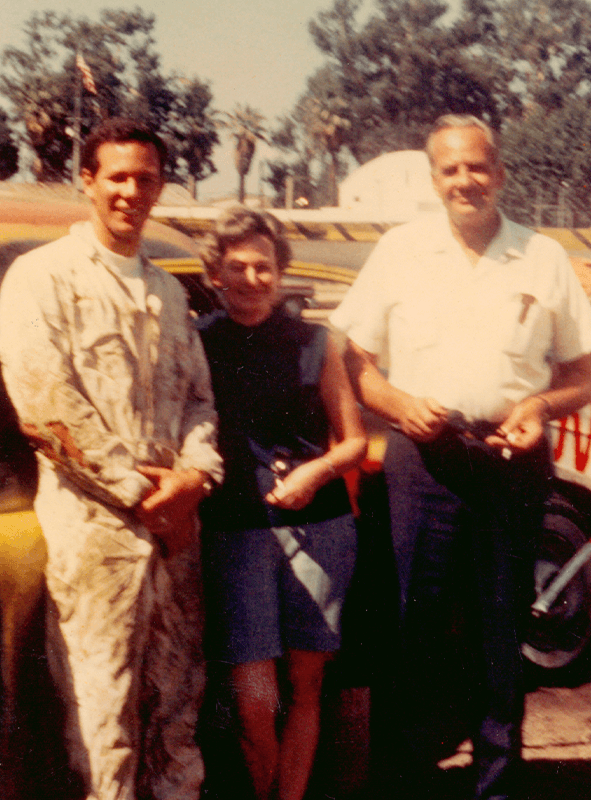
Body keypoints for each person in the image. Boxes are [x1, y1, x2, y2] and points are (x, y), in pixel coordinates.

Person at [329, 113, 591, 800]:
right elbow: (354, 358)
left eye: (477, 166)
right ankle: (405, 780)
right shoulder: (400, 251)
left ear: (501, 174)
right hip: (423, 465)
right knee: (411, 633)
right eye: (450, 169)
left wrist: (539, 408)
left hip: (511, 466)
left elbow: (581, 377)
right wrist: (395, 405)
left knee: (499, 636)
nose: (465, 180)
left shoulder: (541, 257)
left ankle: (497, 785)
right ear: (434, 179)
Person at [0, 118, 223, 800]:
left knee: (176, 712)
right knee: (102, 726)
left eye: (146, 178)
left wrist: (194, 478)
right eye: (117, 177)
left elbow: (199, 402)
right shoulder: (43, 278)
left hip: (175, 538)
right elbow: (44, 402)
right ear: (87, 182)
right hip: (94, 536)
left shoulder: (170, 292)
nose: (131, 191)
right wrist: (140, 495)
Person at [196, 207, 366, 800]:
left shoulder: (314, 341)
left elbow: (353, 442)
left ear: (280, 271)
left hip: (318, 529)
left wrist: (316, 474)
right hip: (235, 530)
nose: (249, 279)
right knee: (253, 701)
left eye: (262, 267)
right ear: (214, 272)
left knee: (306, 683)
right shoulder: (199, 342)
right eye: (236, 267)